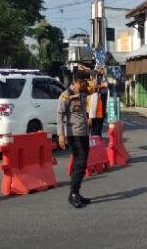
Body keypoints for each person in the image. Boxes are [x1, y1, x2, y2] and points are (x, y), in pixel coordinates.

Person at [57, 71, 92, 209]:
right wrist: (61, 135)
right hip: (74, 134)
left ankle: (76, 192)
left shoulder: (83, 92)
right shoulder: (66, 95)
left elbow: (95, 87)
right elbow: (60, 115)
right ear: (78, 81)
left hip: (84, 133)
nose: (86, 85)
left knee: (81, 164)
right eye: (84, 82)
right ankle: (73, 194)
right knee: (80, 162)